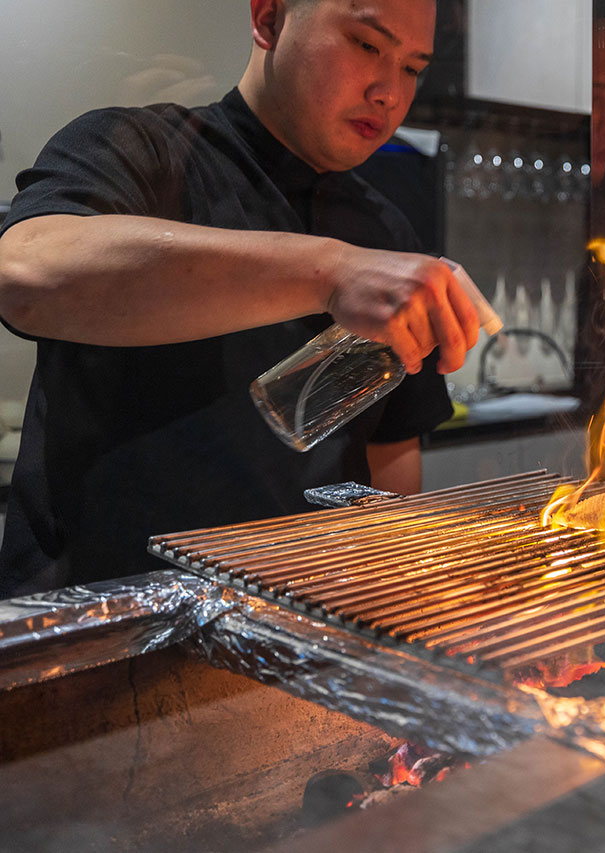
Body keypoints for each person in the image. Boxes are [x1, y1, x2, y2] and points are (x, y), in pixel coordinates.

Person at [0, 0, 479, 594]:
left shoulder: (385, 229)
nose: (388, 92)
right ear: (270, 18)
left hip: (306, 635)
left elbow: (389, 453)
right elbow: (25, 274)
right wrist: (330, 274)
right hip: (98, 634)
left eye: (412, 68)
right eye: (366, 45)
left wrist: (401, 594)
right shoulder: (139, 148)